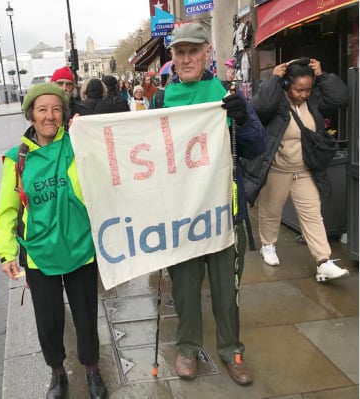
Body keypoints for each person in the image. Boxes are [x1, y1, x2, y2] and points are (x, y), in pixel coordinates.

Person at [159, 22, 266, 386]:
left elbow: (256, 146)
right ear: (172, 57)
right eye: (180, 52)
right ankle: (187, 347)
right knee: (185, 289)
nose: (186, 58)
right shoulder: (161, 100)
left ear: (207, 53)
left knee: (226, 289)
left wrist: (244, 118)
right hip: (180, 215)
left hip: (223, 211)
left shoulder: (227, 94)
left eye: (193, 51)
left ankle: (232, 350)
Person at [0, 83, 108, 399]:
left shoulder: (76, 146)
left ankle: (92, 369)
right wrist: (5, 252)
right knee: (48, 320)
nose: (50, 116)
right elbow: (7, 210)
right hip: (39, 254)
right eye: (42, 109)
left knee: (86, 315)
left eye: (56, 108)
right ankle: (57, 374)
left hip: (79, 247)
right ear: (31, 114)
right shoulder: (16, 159)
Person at [243, 58, 350, 282]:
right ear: (286, 86)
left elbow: (340, 98)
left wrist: (321, 77)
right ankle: (268, 245)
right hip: (277, 169)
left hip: (304, 170)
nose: (304, 94)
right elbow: (258, 107)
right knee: (271, 211)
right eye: (298, 89)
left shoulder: (313, 101)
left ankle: (323, 261)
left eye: (308, 89)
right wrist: (274, 78)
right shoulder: (276, 102)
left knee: (312, 215)